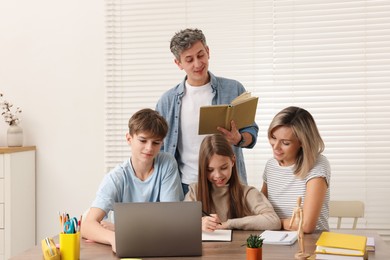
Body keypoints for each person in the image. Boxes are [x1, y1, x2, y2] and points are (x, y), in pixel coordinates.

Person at [156, 28, 259, 194]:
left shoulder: (233, 89)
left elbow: (251, 131)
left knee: (232, 221)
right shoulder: (167, 101)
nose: (197, 64)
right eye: (189, 60)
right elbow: (158, 149)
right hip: (186, 186)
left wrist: (239, 138)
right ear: (178, 64)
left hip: (228, 183)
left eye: (200, 55)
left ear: (208, 51)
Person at [81, 108, 184, 253]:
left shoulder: (167, 163)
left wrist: (120, 229)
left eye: (156, 143)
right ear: (129, 139)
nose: (149, 148)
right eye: (143, 140)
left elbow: (170, 219)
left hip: (161, 246)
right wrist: (114, 238)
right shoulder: (116, 177)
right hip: (130, 248)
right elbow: (87, 225)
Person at [185, 134, 281, 232]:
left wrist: (229, 224)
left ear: (233, 161)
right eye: (210, 170)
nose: (218, 175)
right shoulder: (194, 192)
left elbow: (273, 221)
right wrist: (200, 223)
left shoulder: (247, 193)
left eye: (223, 168)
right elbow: (180, 224)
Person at [261, 106, 331, 233]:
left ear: (302, 143)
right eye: (273, 137)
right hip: (276, 239)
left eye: (285, 143)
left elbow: (306, 226)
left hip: (310, 241)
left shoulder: (317, 165)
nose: (275, 147)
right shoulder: (271, 165)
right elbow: (260, 209)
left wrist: (273, 222)